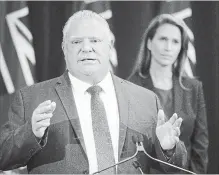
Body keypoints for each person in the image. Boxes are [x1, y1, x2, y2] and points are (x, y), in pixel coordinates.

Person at [0, 10, 187, 174]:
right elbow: (3, 156)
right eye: (76, 42)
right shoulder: (31, 99)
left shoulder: (145, 100)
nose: (86, 48)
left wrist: (168, 149)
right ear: (64, 48)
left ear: (109, 46)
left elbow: (175, 166)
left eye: (95, 40)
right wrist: (31, 133)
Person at [128, 14, 209, 174]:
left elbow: (200, 149)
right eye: (163, 39)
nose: (168, 47)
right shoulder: (130, 86)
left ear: (181, 48)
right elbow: (128, 151)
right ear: (149, 43)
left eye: (175, 41)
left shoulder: (194, 88)